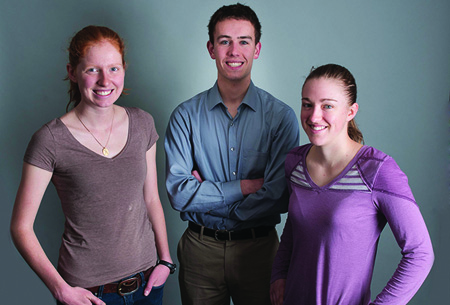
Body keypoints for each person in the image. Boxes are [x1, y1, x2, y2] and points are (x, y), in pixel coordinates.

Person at [10, 25, 175, 305]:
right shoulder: (49, 140)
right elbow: (20, 228)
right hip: (89, 294)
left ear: (124, 70)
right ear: (72, 72)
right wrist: (61, 290)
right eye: (92, 70)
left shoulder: (142, 123)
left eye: (113, 69)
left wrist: (166, 260)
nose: (104, 80)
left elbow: (151, 198)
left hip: (148, 285)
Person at [164, 3, 299, 305]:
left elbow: (279, 195)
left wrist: (207, 197)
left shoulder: (281, 118)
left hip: (260, 252)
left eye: (244, 41)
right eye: (225, 41)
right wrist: (246, 187)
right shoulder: (185, 116)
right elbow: (178, 194)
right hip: (200, 251)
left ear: (257, 49)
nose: (234, 51)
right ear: (211, 49)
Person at [270, 64, 434, 305]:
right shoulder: (294, 162)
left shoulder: (377, 170)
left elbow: (420, 254)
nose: (314, 116)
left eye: (327, 105)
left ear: (351, 111)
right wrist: (278, 275)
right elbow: (294, 228)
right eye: (307, 104)